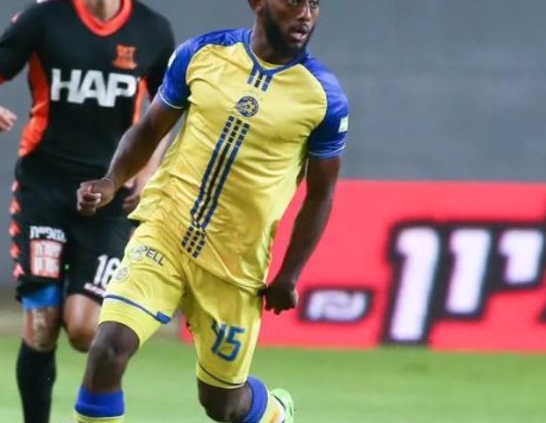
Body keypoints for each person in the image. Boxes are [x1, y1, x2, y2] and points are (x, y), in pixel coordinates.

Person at [73, 0, 348, 422]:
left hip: (234, 263)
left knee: (223, 404)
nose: (305, 14)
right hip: (165, 230)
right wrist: (112, 180)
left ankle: (275, 413)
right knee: (108, 348)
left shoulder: (323, 97)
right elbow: (150, 128)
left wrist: (289, 274)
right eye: (293, 1)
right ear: (257, 3)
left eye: (314, 3)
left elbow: (320, 195)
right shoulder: (202, 53)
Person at [0, 1, 175, 423]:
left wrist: (147, 171)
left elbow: (166, 110)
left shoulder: (153, 30)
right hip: (45, 190)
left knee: (83, 329)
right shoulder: (44, 18)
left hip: (108, 195)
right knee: (41, 323)